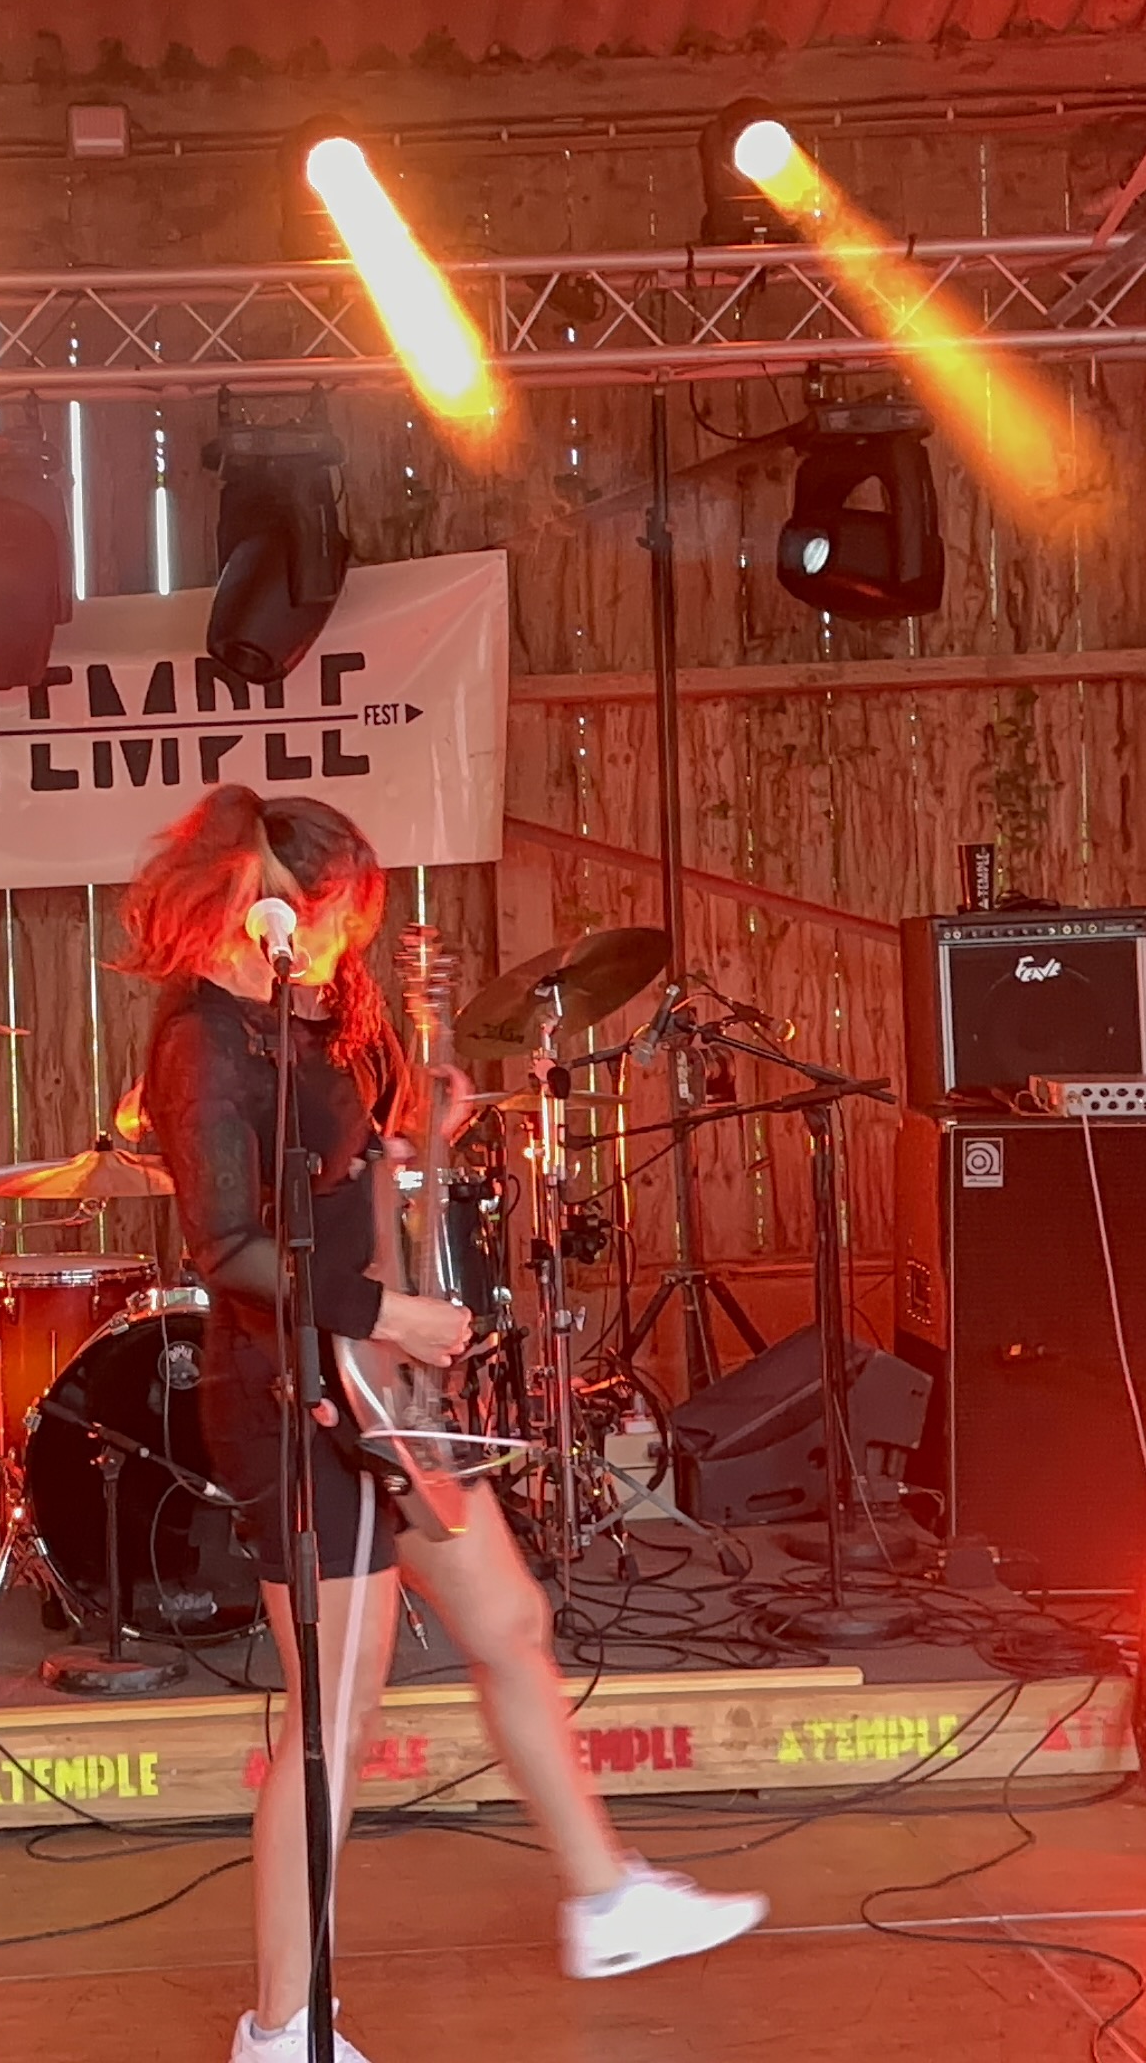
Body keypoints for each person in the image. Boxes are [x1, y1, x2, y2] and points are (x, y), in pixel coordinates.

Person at [126, 788, 763, 2063]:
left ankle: (605, 1901)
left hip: (379, 1391)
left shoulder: (310, 1014)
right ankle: (280, 2030)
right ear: (266, 904)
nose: (351, 940)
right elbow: (231, 1250)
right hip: (293, 1399)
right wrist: (395, 1314)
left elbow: (337, 1171)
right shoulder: (203, 1043)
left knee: (510, 1623)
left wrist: (415, 1136)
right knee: (335, 1724)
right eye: (339, 914)